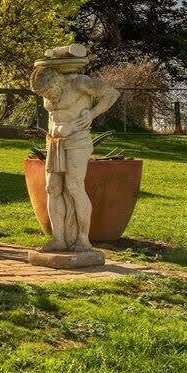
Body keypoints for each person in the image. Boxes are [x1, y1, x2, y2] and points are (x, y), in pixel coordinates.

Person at [30, 66, 119, 252]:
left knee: (74, 187)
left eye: (50, 92)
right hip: (54, 143)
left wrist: (92, 114)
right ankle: (58, 239)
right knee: (52, 188)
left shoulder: (79, 83)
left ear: (57, 81)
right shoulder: (48, 90)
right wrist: (55, 131)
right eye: (44, 94)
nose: (49, 97)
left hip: (77, 140)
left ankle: (83, 239)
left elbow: (111, 94)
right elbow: (53, 116)